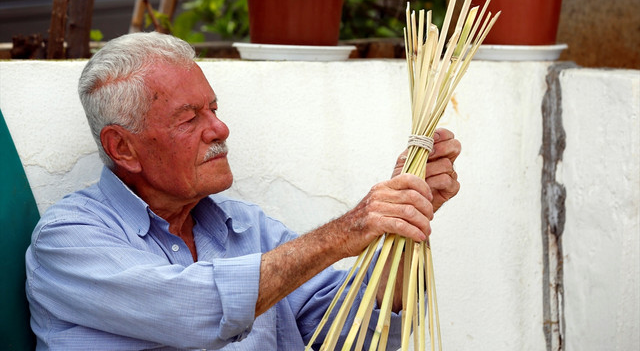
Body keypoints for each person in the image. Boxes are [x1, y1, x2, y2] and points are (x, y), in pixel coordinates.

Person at [25, 32, 461, 350]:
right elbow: (194, 309)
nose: (219, 128)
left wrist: (403, 219)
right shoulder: (68, 239)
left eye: (212, 108)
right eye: (189, 118)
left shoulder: (247, 230)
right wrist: (346, 232)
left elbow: (359, 332)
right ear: (123, 148)